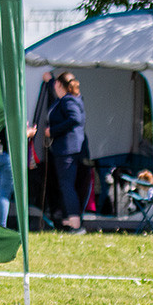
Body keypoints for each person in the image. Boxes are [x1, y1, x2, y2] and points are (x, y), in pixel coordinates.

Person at [43, 70, 87, 233]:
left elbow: (74, 118)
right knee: (66, 184)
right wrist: (50, 82)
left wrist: (52, 131)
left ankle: (75, 223)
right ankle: (71, 219)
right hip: (70, 148)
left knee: (67, 185)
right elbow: (58, 101)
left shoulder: (68, 100)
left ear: (59, 85)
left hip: (67, 149)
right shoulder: (69, 98)